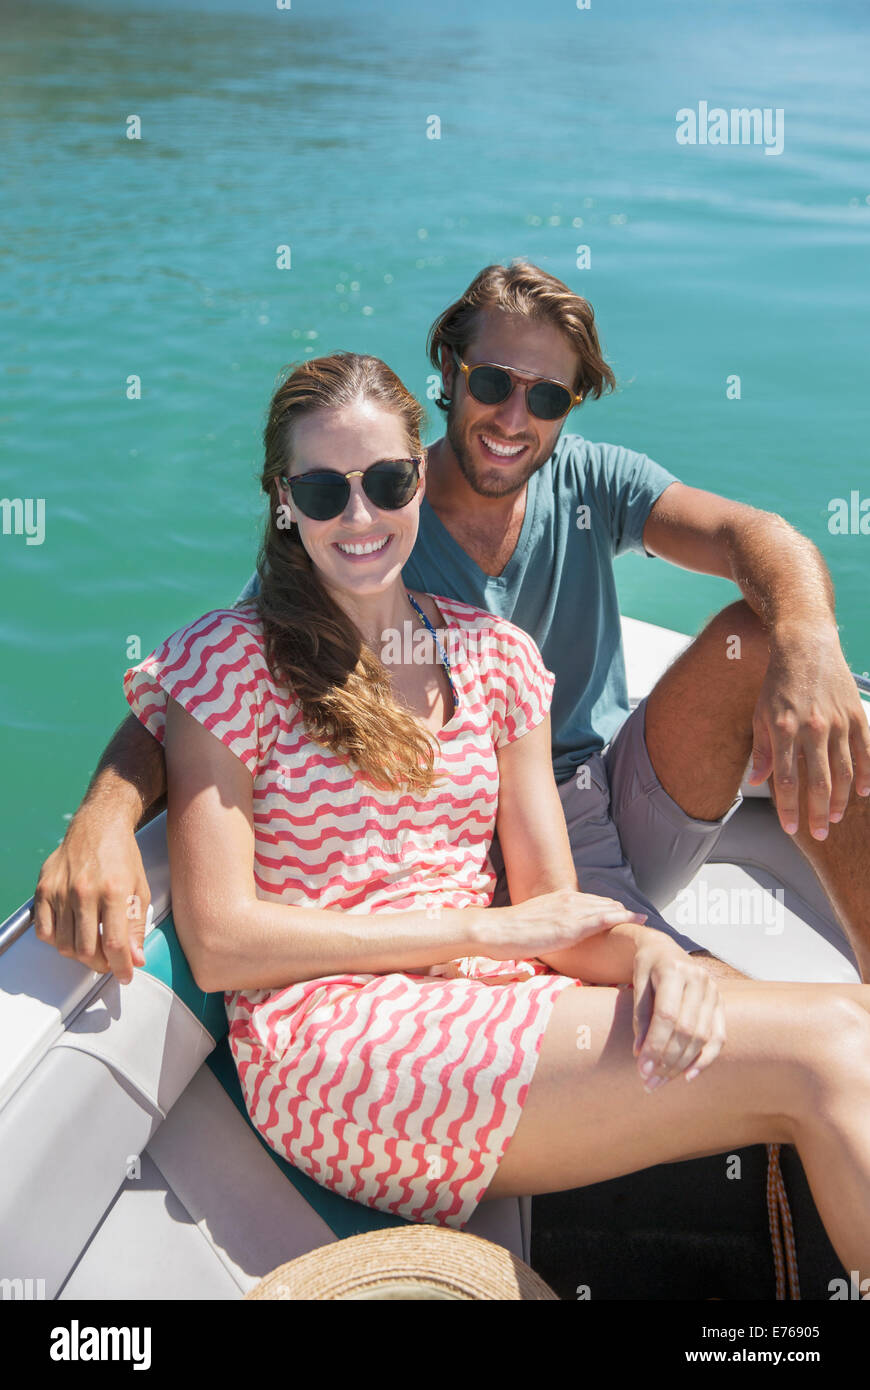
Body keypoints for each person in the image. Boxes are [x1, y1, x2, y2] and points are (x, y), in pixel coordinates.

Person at [106, 352, 870, 1264]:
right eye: (322, 492)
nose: (359, 517)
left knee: (849, 1034)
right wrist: (481, 931)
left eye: (386, 482)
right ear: (283, 500)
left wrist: (650, 951)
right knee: (829, 1049)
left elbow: (556, 917)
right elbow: (224, 941)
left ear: (419, 479)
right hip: (334, 1052)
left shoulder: (496, 658)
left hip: (498, 1006)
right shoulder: (229, 662)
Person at [32, 260, 870, 985]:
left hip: (614, 785)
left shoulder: (592, 481)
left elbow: (750, 535)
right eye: (494, 382)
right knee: (692, 989)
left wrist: (812, 640)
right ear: (450, 371)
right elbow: (220, 676)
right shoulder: (370, 519)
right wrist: (102, 817)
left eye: (546, 395)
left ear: (572, 404)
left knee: (775, 650)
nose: (513, 418)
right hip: (487, 830)